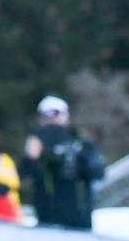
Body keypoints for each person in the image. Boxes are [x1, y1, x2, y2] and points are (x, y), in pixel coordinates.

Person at [20, 95, 105, 230]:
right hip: (46, 219)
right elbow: (21, 176)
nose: (53, 120)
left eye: (57, 114)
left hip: (78, 219)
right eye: (47, 116)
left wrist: (77, 159)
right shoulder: (36, 142)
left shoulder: (81, 140)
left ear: (66, 116)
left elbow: (98, 172)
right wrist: (31, 157)